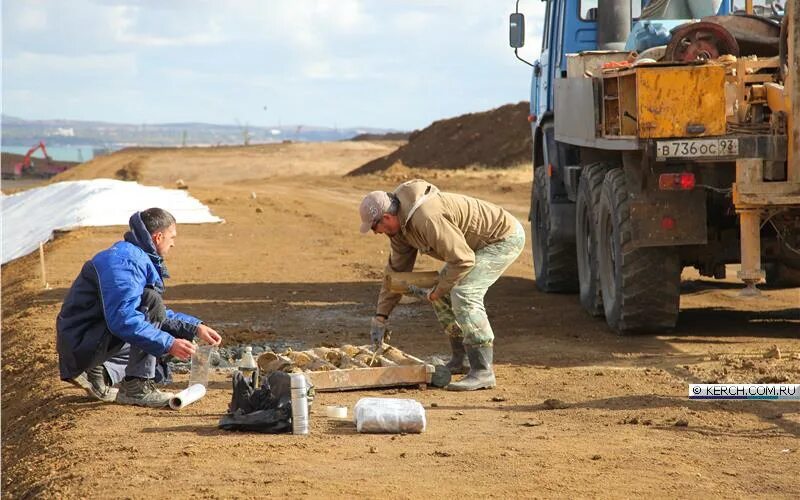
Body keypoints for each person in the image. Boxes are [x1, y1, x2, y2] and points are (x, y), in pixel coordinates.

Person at [359, 179, 525, 391]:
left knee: (464, 293)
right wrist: (381, 316)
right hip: (471, 248)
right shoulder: (399, 230)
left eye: (375, 227)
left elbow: (463, 260)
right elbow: (396, 274)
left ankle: (483, 370)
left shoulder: (427, 218)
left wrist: (438, 291)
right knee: (442, 290)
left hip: (501, 238)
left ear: (387, 217)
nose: (376, 232)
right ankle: (461, 358)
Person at [57, 208, 222, 408]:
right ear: (158, 236)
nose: (173, 243)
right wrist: (169, 343)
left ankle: (102, 371)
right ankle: (136, 387)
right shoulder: (126, 263)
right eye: (172, 237)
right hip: (82, 342)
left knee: (159, 326)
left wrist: (194, 327)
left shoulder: (131, 257)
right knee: (153, 309)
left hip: (87, 338)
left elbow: (145, 313)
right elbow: (124, 319)